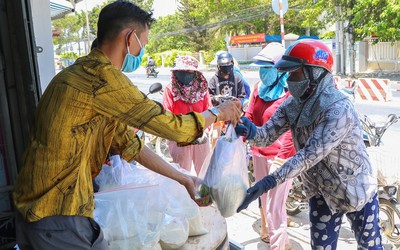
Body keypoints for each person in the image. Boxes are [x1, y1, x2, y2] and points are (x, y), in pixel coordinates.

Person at [12, 2, 242, 249]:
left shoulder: (77, 75)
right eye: (144, 43)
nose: (143, 52)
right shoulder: (101, 78)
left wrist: (182, 178)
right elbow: (175, 127)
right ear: (130, 38)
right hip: (56, 214)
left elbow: (130, 144)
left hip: (38, 210)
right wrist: (218, 112)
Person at [235, 39, 382, 249]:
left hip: (356, 189)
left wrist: (268, 183)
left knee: (370, 246)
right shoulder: (292, 104)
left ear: (316, 73)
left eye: (294, 73)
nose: (289, 79)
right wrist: (247, 129)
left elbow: (307, 156)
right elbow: (266, 135)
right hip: (320, 191)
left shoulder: (338, 110)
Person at [245, 42, 295, 250]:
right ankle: (275, 236)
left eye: (267, 67)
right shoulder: (259, 88)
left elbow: (293, 130)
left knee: (276, 204)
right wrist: (239, 128)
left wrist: (282, 159)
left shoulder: (290, 92)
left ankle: (279, 244)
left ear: (279, 68)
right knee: (264, 198)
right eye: (261, 67)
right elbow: (250, 115)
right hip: (259, 153)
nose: (263, 72)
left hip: (281, 158)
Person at [163, 55, 212, 175]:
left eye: (188, 71)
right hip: (179, 138)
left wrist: (204, 130)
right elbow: (167, 113)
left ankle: (203, 194)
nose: (185, 74)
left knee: (204, 174)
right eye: (182, 71)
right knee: (182, 174)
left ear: (195, 73)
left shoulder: (202, 89)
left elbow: (209, 109)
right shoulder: (170, 89)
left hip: (200, 135)